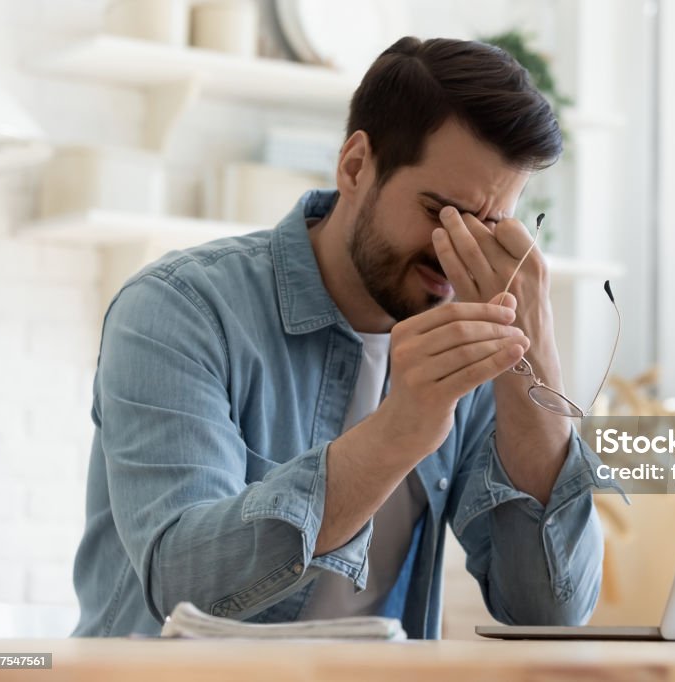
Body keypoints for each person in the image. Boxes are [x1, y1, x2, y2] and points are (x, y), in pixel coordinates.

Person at [72, 36, 615, 638]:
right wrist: (399, 430)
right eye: (440, 212)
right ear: (356, 165)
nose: (453, 252)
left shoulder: (476, 340)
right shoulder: (180, 309)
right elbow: (184, 589)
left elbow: (550, 613)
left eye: (488, 226)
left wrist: (533, 362)